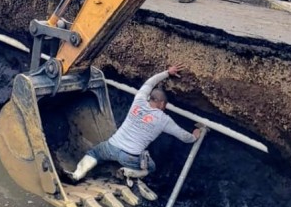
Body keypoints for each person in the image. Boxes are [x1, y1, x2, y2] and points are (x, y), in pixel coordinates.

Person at [65, 64, 201, 198]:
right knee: (150, 168)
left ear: (150, 98)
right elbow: (183, 136)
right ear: (162, 104)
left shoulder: (139, 100)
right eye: (165, 105)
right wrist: (194, 136)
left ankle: (76, 175)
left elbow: (149, 83)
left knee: (94, 153)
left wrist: (167, 72)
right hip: (129, 156)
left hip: (111, 146)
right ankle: (128, 172)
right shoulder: (163, 119)